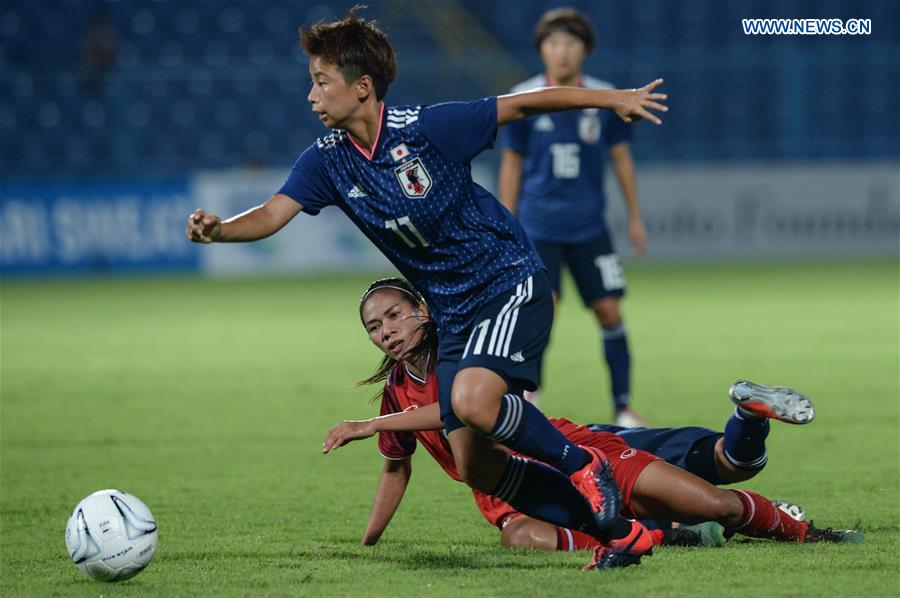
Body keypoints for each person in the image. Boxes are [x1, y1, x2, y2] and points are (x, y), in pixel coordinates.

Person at [187, 9, 670, 569]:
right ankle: (621, 532)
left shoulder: (428, 128)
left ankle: (587, 466)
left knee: (471, 400)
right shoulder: (326, 160)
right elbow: (272, 214)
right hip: (452, 312)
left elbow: (523, 105)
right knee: (474, 463)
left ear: (362, 87)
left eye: (321, 81)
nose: (311, 95)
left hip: (506, 280)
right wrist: (220, 230)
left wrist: (614, 100)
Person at [321, 278, 862, 557]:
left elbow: (455, 413)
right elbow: (395, 469)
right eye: (374, 326)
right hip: (510, 491)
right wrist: (368, 545)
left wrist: (369, 425)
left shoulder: (465, 353)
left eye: (394, 315)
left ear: (423, 311)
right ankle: (665, 533)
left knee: (721, 488)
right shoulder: (396, 390)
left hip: (575, 449)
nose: (386, 330)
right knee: (522, 541)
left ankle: (813, 533)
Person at [497, 8, 646, 426]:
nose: (562, 52)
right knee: (543, 311)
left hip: (590, 228)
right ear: (542, 50)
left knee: (610, 312)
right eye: (553, 43)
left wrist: (635, 216)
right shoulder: (521, 97)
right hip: (538, 227)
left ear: (585, 50)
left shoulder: (605, 97)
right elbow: (512, 163)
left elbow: (621, 158)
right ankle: (530, 399)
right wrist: (509, 223)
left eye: (570, 43)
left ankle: (623, 405)